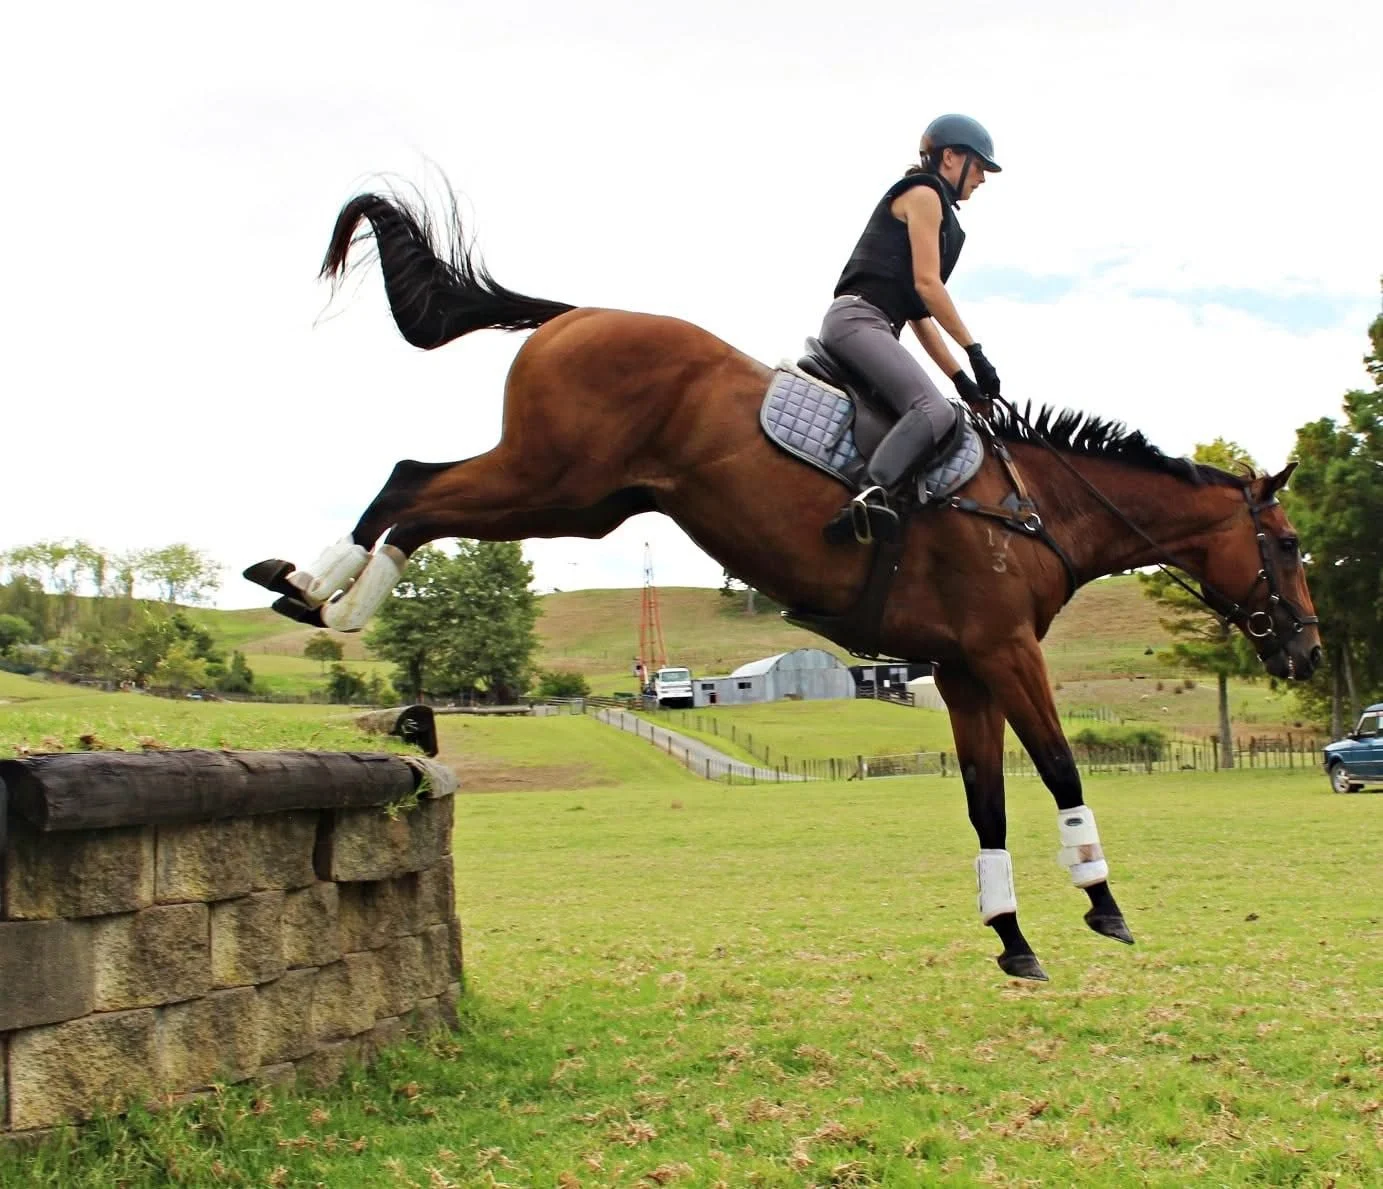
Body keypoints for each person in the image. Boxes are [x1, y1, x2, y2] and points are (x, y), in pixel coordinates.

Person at [821, 113, 1002, 536]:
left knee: (942, 407)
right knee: (932, 411)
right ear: (951, 157)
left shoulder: (945, 218)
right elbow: (928, 283)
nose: (983, 179)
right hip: (858, 318)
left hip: (878, 325)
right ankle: (869, 496)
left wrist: (962, 380)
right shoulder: (924, 194)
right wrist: (975, 352)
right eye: (979, 167)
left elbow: (920, 311)